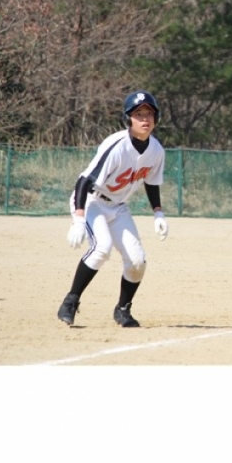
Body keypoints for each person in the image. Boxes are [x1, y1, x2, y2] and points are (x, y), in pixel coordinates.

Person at [57, 90, 169, 328]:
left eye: (149, 114)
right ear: (128, 118)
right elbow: (84, 181)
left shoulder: (156, 150)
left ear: (156, 118)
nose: (145, 119)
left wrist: (158, 212)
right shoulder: (117, 145)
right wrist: (79, 219)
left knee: (137, 261)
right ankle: (70, 301)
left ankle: (123, 310)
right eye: (138, 114)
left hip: (118, 206)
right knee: (102, 248)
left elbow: (151, 182)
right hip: (91, 201)